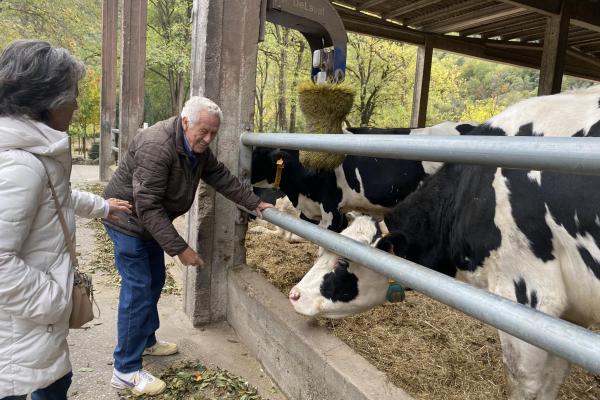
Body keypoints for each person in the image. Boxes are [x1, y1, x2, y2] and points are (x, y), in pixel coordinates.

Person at [103, 95, 272, 396]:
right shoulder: (157, 145)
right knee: (139, 287)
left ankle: (145, 341)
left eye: (214, 133)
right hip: (128, 221)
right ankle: (125, 370)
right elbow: (148, 207)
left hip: (150, 224)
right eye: (203, 131)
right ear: (184, 122)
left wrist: (255, 203)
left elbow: (221, 177)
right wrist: (181, 248)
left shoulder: (195, 147)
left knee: (154, 281)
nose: (208, 139)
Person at [0, 40, 132, 400]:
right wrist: (56, 301)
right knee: (40, 387)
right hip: (22, 321)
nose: (76, 104)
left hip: (29, 319)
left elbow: (54, 196)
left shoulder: (33, 155)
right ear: (46, 98)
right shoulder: (20, 164)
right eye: (71, 94)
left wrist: (102, 207)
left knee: (56, 381)